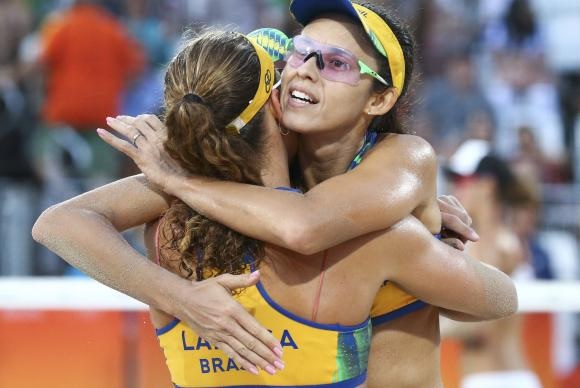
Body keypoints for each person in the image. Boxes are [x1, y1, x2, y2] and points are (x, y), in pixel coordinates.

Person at [34, 26, 516, 387]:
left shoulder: (169, 217)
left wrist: (177, 292)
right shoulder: (369, 239)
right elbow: (499, 298)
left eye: (335, 63)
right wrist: (426, 231)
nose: (303, 69)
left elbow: (59, 222)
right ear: (276, 105)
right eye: (298, 56)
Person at [442, 140, 541, 388]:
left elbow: (478, 323)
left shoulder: (498, 245)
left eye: (462, 180)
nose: (455, 189)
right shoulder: (501, 241)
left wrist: (420, 323)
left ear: (486, 185)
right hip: (499, 378)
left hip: (494, 380)